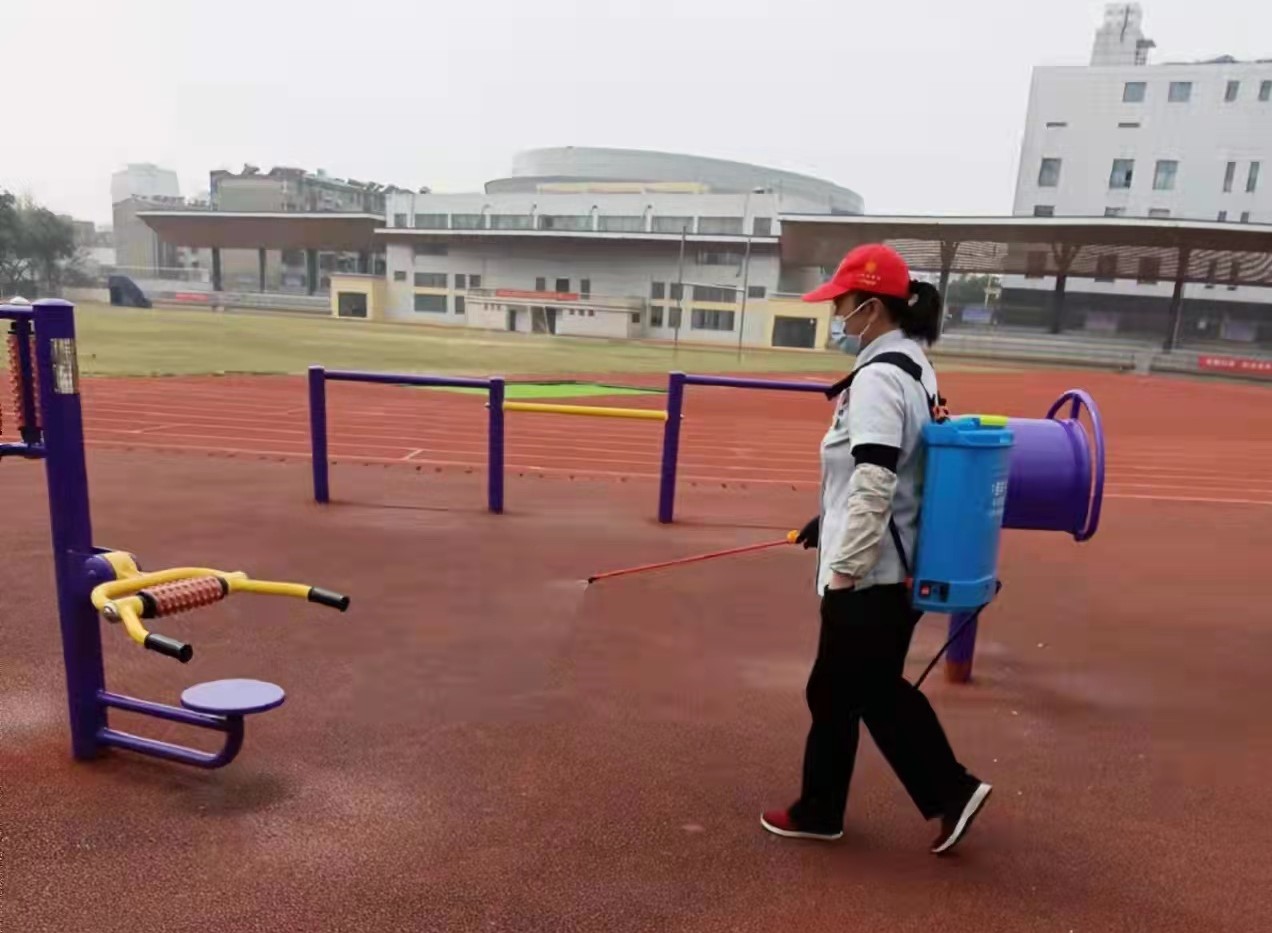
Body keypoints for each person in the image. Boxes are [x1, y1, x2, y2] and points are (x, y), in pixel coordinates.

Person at [761, 244, 992, 855]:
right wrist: (827, 519)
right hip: (892, 558)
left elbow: (876, 478)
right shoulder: (915, 367)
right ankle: (821, 808)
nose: (835, 313)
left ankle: (951, 789)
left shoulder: (878, 380)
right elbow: (893, 471)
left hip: (871, 572)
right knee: (839, 690)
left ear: (869, 306)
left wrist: (843, 570)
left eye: (840, 303)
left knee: (867, 689)